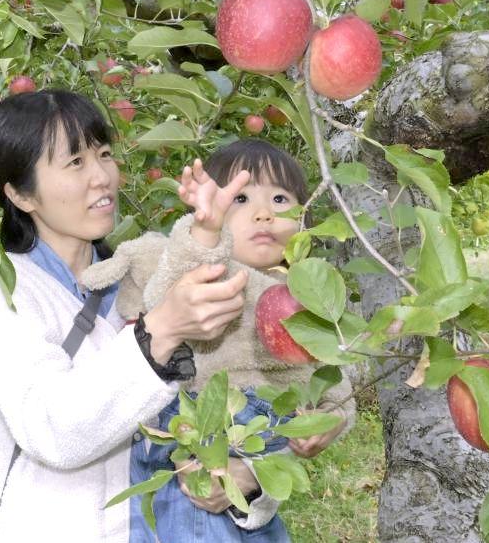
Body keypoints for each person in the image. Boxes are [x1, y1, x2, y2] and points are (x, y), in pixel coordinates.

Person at [0, 90, 253, 542]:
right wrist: (161, 332)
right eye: (75, 162)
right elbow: (52, 429)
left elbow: (238, 387)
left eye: (104, 154)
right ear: (20, 194)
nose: (102, 177)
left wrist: (248, 473)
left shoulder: (143, 273)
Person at [81, 139, 356, 542]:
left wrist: (331, 421)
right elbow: (165, 298)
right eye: (240, 198)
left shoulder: (310, 294)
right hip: (198, 443)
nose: (263, 214)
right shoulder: (211, 268)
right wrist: (205, 233)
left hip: (259, 455)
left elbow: (337, 381)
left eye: (280, 199)